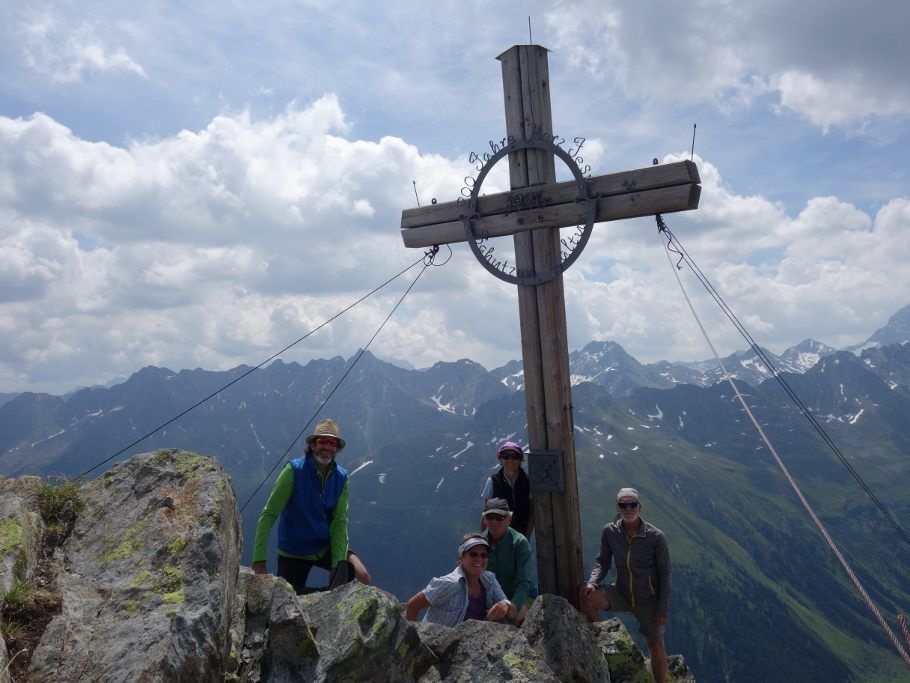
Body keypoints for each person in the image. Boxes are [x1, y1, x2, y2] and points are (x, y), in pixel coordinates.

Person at [251, 418, 370, 593]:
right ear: (313, 445)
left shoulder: (341, 478)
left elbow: (339, 523)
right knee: (286, 599)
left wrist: (337, 564)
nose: (327, 447)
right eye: (323, 441)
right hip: (294, 551)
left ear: (337, 449)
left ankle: (324, 597)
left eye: (333, 443)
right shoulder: (293, 472)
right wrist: (259, 560)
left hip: (323, 547)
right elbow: (269, 514)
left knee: (362, 577)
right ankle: (322, 597)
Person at [579, 487, 671, 683]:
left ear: (639, 507)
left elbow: (665, 574)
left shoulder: (656, 537)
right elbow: (602, 562)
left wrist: (661, 609)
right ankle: (602, 641)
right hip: (621, 593)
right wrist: (592, 582)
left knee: (655, 646)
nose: (628, 508)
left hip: (648, 600)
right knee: (585, 595)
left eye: (632, 504)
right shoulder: (610, 531)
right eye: (623, 504)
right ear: (618, 508)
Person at [405, 533, 517, 626]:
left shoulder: (489, 580)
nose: (479, 558)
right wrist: (411, 644)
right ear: (461, 558)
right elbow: (413, 605)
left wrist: (505, 604)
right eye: (473, 554)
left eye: (484, 555)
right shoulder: (450, 583)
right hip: (436, 647)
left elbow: (513, 614)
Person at [481, 498, 533, 625]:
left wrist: (513, 606)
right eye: (490, 517)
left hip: (521, 598)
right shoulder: (479, 544)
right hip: (490, 601)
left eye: (500, 517)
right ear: (484, 520)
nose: (494, 521)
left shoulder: (520, 543)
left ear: (509, 519)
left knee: (513, 621)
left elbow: (523, 583)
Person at [481, 440, 533, 538]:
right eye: (506, 457)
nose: (510, 460)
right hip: (496, 537)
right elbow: (485, 512)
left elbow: (532, 513)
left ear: (521, 460)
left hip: (520, 537)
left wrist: (526, 537)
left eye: (515, 457)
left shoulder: (529, 482)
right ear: (500, 460)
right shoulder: (492, 481)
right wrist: (482, 539)